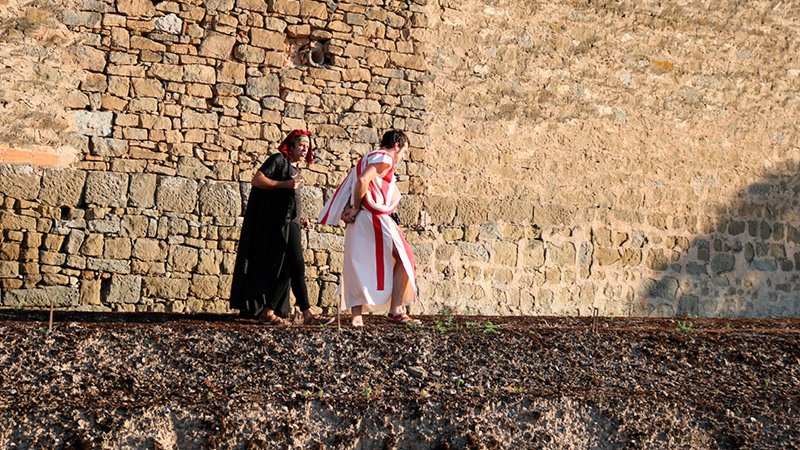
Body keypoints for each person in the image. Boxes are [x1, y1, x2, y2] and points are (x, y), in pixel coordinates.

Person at [230, 130, 333, 326]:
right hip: (280, 224)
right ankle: (307, 314)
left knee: (287, 267)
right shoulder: (278, 160)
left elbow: (288, 200)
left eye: (307, 146)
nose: (305, 149)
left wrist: (299, 216)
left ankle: (269, 311)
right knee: (297, 264)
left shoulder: (296, 170)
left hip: (292, 222)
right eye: (301, 145)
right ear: (291, 146)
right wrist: (284, 184)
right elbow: (257, 179)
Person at [318, 130, 420, 327]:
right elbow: (363, 180)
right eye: (404, 152)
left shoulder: (367, 157)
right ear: (396, 146)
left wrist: (349, 208)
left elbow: (353, 184)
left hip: (362, 218)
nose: (403, 157)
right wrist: (355, 207)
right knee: (405, 256)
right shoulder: (385, 158)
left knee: (359, 262)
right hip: (373, 216)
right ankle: (396, 310)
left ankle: (356, 316)